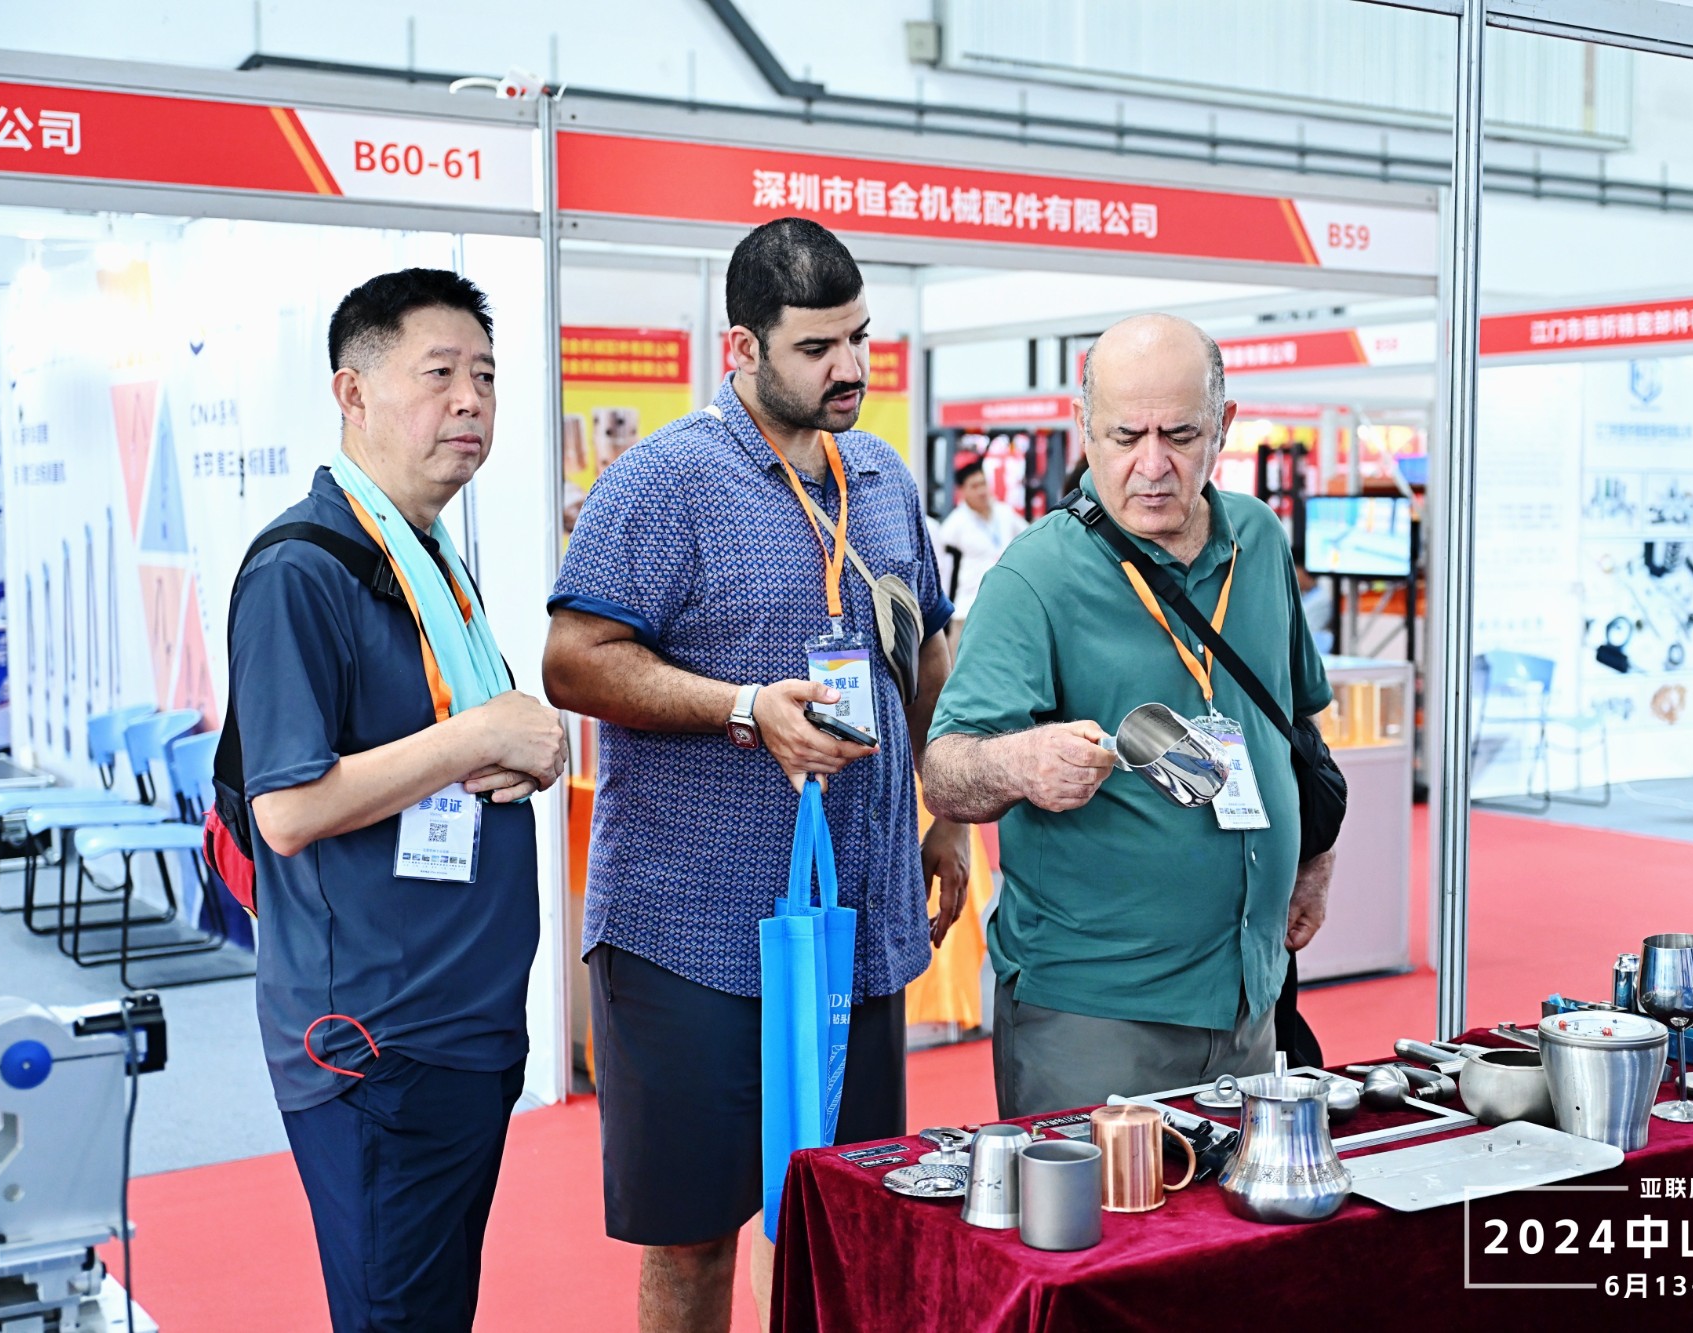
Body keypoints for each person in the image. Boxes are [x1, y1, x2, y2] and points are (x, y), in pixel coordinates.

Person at [541, 217, 970, 1332]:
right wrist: (741, 707)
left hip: (856, 927)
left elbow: (926, 649)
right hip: (689, 934)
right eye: (816, 348)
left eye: (859, 339)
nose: (849, 368)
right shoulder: (663, 481)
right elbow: (573, 661)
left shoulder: (881, 478)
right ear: (742, 347)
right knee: (694, 1236)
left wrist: (946, 815)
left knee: (844, 1216)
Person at [231, 268, 569, 1332]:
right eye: (439, 374)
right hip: (375, 1040)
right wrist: (478, 735)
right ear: (353, 392)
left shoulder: (426, 558)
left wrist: (517, 750)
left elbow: (446, 748)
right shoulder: (303, 569)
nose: (471, 400)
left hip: (462, 1028)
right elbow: (287, 809)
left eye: (486, 377)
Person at [924, 313, 1340, 1119]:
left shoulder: (1258, 539)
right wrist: (1020, 762)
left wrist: (1315, 857)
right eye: (1125, 436)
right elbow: (945, 771)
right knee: (1100, 1206)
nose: (1152, 466)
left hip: (1251, 994)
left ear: (1224, 426)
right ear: (1084, 428)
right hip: (1095, 1014)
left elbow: (1298, 726)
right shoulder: (1035, 577)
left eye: (1180, 435)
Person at [935, 457, 1029, 642]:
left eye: (983, 483)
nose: (981, 491)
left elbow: (1030, 537)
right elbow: (943, 572)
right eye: (974, 486)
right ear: (962, 491)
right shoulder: (953, 526)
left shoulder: (1004, 513)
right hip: (967, 610)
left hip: (1006, 606)